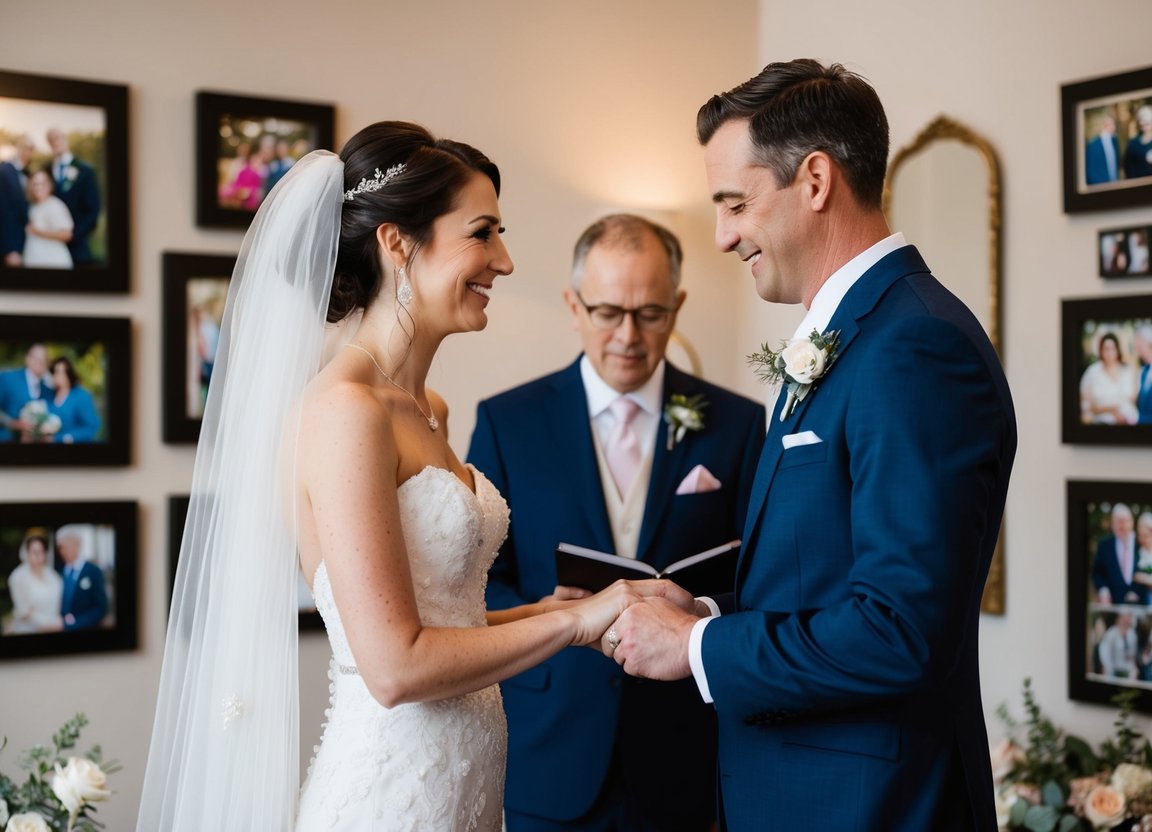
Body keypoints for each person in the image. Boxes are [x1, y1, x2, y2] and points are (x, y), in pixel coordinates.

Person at [138, 122, 686, 831]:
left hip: (466, 786)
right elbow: (396, 666)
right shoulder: (344, 410)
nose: (505, 261)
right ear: (398, 243)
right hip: (389, 796)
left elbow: (442, 621)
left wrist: (576, 608)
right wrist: (580, 624)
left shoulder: (428, 409)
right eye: (482, 233)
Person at [604, 60, 1016, 831]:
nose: (722, 235)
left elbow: (900, 631)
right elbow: (823, 581)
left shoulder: (914, 345)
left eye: (734, 203)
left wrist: (698, 647)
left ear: (816, 180)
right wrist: (703, 607)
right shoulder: (857, 333)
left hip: (867, 808)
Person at [468, 214, 765, 831]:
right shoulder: (508, 422)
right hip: (551, 748)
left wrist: (699, 609)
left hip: (687, 750)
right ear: (574, 306)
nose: (628, 335)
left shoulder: (736, 424)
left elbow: (763, 579)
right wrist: (550, 615)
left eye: (650, 313)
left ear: (677, 305)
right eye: (608, 312)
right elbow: (475, 584)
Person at [47, 128, 101, 267]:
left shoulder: (84, 170)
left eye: (58, 138)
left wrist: (74, 235)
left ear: (65, 140)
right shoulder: (46, 170)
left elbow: (93, 209)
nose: (56, 142)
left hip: (78, 246)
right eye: (51, 140)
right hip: (51, 245)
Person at [1091, 503, 1151, 605]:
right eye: (1117, 521)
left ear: (1131, 522)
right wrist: (1103, 590)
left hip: (1140, 607)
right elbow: (1097, 573)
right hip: (1113, 607)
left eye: (1123, 521)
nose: (1121, 525)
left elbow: (1150, 571)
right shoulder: (1104, 546)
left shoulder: (1142, 542)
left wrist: (1138, 592)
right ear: (1112, 524)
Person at [5, 532, 64, 634]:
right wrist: (49, 624)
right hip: (29, 631)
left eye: (41, 551)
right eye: (35, 552)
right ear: (27, 553)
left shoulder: (52, 575)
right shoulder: (18, 576)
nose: (39, 556)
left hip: (55, 628)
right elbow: (23, 611)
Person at [1079, 332, 1138, 424]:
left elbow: (1134, 400)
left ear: (1118, 349)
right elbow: (1085, 404)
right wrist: (1111, 410)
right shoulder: (1092, 372)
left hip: (1129, 422)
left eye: (1113, 348)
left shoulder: (1128, 371)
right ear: (1101, 351)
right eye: (1106, 349)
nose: (1110, 353)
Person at [57, 525, 108, 631]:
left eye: (65, 546)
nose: (62, 552)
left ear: (77, 544)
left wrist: (74, 625)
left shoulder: (94, 571)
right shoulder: (61, 571)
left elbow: (101, 608)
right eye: (60, 547)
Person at [22, 168, 75, 269]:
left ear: (49, 185)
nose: (39, 187)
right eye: (35, 184)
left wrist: (38, 232)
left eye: (42, 183)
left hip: (53, 262)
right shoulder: (33, 207)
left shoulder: (55, 205)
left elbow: (67, 235)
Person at [0, 343, 53, 442]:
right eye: (36, 357)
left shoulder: (47, 391)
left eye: (44, 359)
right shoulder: (8, 378)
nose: (40, 362)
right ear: (27, 358)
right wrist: (12, 423)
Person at [42, 356, 100, 443]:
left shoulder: (81, 396)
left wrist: (61, 438)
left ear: (69, 374)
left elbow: (91, 427)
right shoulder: (50, 395)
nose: (56, 375)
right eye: (54, 371)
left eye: (60, 372)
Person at [0, 134, 34, 267]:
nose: (28, 151)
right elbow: (3, 212)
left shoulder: (29, 174)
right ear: (18, 148)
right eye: (25, 147)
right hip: (10, 245)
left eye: (31, 148)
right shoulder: (4, 172)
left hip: (27, 242)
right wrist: (10, 249)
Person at [1123, 104, 1152, 179]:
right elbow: (1129, 169)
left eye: (1148, 122)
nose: (1145, 125)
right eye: (1142, 120)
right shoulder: (1133, 144)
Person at [1097, 611, 1139, 680]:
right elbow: (1105, 653)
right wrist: (1108, 668)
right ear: (1118, 620)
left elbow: (1133, 654)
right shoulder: (1111, 633)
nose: (1126, 621)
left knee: (1135, 672)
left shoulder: (1132, 634)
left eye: (1128, 618)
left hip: (1127, 666)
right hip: (1113, 667)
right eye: (1123, 618)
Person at [1084, 108, 1120, 185]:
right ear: (1105, 125)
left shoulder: (1114, 141)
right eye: (1112, 124)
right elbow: (1090, 171)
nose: (1114, 127)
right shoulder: (1093, 146)